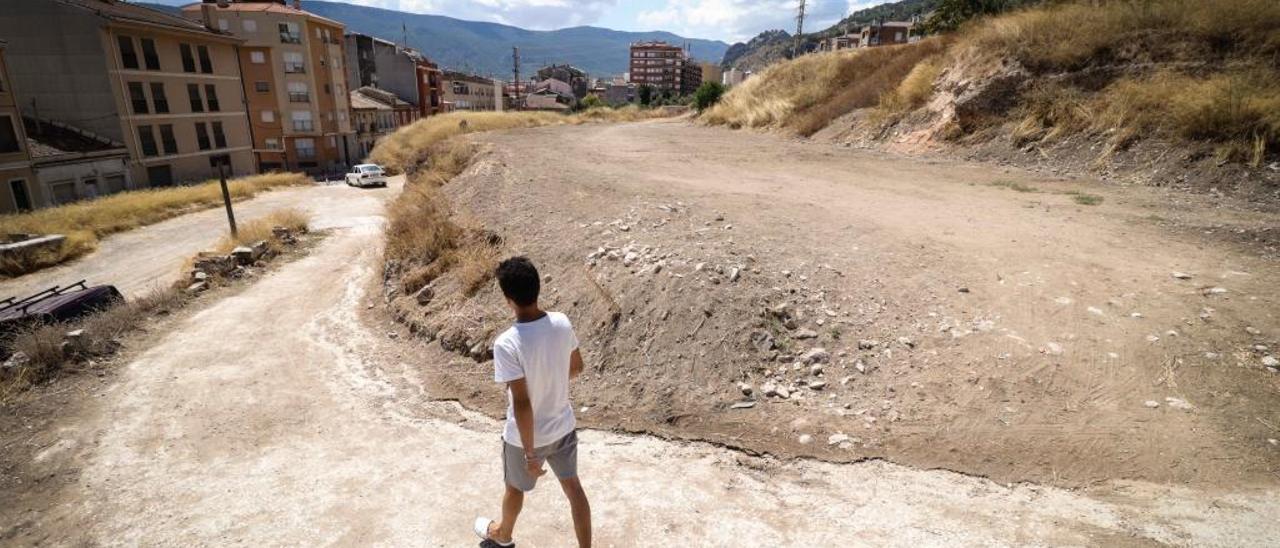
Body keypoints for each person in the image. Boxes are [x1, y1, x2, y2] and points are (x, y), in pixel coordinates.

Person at [474, 257, 592, 548]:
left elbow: (522, 403)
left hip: (524, 439)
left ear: (508, 299)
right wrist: (550, 376)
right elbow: (577, 366)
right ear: (538, 288)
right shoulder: (562, 323)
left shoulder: (507, 343)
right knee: (574, 489)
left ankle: (502, 535)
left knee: (514, 488)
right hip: (563, 428)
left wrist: (530, 455)